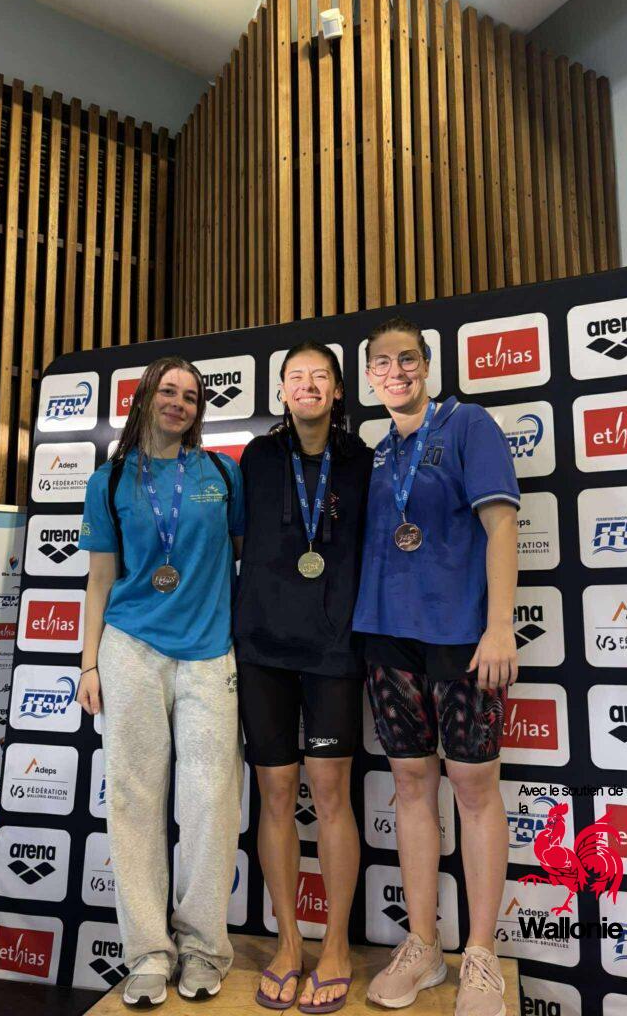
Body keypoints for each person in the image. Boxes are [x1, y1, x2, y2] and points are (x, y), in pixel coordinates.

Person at [352, 317, 519, 1016]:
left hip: (461, 637)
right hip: (388, 637)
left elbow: (502, 524)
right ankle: (423, 945)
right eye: (382, 363)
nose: (396, 372)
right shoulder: (379, 451)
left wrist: (501, 625)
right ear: (369, 377)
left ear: (426, 364)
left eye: (407, 359)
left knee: (474, 788)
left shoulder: (468, 424)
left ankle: (481, 953)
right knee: (411, 786)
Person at [76, 356, 244, 1009]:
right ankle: (147, 950)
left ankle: (203, 947)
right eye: (168, 391)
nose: (179, 402)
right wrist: (89, 663)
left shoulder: (220, 474)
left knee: (210, 803)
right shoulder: (110, 479)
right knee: (135, 802)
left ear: (199, 410)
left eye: (191, 396)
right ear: (145, 398)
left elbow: (246, 556)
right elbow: (99, 580)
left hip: (208, 654)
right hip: (130, 651)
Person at [234, 341, 373, 1014]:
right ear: (281, 390)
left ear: (338, 391)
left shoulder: (363, 461)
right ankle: (289, 943)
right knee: (276, 792)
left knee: (332, 792)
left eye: (321, 376)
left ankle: (336, 945)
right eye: (296, 376)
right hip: (262, 647)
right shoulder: (258, 458)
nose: (308, 385)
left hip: (334, 650)